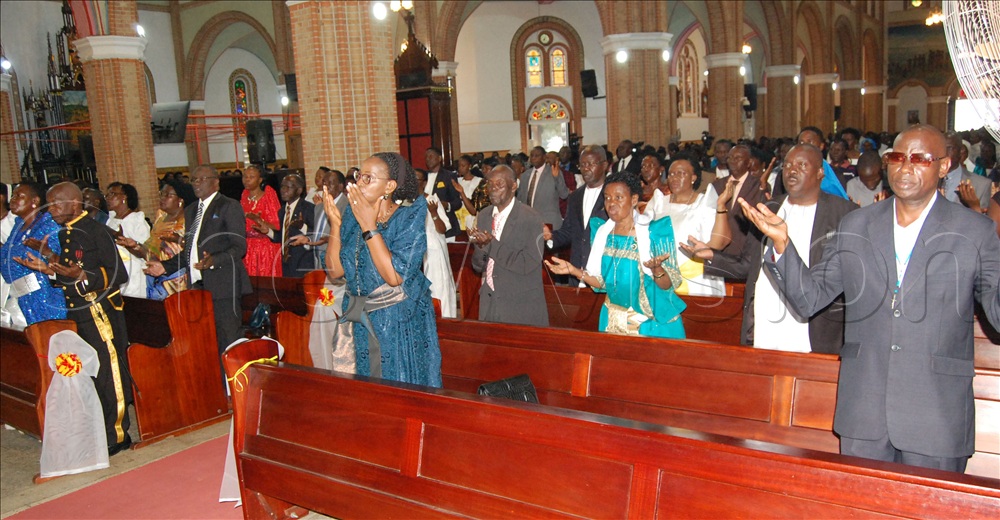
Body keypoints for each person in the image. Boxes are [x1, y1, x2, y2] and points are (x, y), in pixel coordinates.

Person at [744, 125, 1000, 472]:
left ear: (943, 166)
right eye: (896, 157)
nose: (905, 167)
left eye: (920, 159)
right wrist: (782, 245)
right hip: (865, 410)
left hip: (935, 414)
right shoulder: (856, 224)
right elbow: (810, 298)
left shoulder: (974, 231)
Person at [685, 144, 857, 352]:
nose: (792, 170)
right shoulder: (768, 208)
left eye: (802, 165)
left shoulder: (845, 213)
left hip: (814, 328)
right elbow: (749, 265)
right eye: (788, 165)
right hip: (766, 322)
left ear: (820, 172)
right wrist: (713, 256)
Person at [16, 182, 133, 455]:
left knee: (108, 374)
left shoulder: (94, 230)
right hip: (78, 312)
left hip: (100, 313)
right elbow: (71, 269)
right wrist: (48, 263)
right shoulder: (68, 233)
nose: (52, 209)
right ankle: (100, 429)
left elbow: (118, 275)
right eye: (49, 204)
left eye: (56, 204)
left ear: (75, 204)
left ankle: (118, 434)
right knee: (90, 375)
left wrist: (80, 277)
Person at [321, 152, 442, 386]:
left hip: (396, 321)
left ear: (390, 186)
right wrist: (335, 225)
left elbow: (395, 276)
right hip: (358, 318)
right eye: (358, 176)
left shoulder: (409, 215)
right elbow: (335, 271)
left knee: (396, 389)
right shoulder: (353, 215)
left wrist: (368, 225)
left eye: (368, 178)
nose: (359, 183)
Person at [546, 170, 686, 338]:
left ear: (634, 200)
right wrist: (573, 271)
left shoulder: (652, 232)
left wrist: (657, 270)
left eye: (619, 198)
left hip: (650, 320)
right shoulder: (602, 232)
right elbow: (602, 283)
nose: (611, 203)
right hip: (614, 318)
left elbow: (667, 285)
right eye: (607, 197)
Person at [147, 165, 252, 356]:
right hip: (197, 286)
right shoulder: (191, 209)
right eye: (193, 179)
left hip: (224, 286)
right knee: (206, 342)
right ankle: (214, 384)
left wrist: (213, 260)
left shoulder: (228, 206)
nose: (196, 183)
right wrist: (165, 266)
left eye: (201, 179)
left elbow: (239, 247)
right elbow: (190, 251)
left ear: (216, 182)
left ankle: (233, 384)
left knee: (228, 341)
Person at [471, 164, 549, 327]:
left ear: (513, 186)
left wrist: (491, 244)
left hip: (519, 304)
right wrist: (480, 246)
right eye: (489, 184)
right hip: (489, 299)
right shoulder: (484, 215)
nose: (492, 189)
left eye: (499, 184)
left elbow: (527, 263)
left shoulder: (530, 218)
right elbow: (478, 266)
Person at [645, 155, 733, 296]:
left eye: (681, 173)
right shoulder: (658, 203)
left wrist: (721, 205)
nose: (674, 178)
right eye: (671, 174)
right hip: (661, 277)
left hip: (695, 279)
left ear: (693, 178)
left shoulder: (703, 203)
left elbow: (720, 242)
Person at [1, 182, 67, 327]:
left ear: (35, 201)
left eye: (19, 196)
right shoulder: (18, 226)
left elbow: (60, 262)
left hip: (45, 298)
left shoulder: (49, 225)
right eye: (12, 195)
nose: (12, 199)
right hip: (20, 298)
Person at [117, 179, 197, 299]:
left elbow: (194, 250)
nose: (162, 198)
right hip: (154, 277)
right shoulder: (161, 218)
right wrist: (134, 246)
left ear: (180, 200)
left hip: (177, 281)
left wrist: (180, 240)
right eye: (161, 194)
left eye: (168, 195)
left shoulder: (187, 221)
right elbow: (150, 254)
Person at [544, 145, 609, 287]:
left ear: (604, 165)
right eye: (583, 164)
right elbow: (569, 231)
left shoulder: (613, 195)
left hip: (604, 272)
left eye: (591, 164)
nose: (586, 168)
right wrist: (550, 237)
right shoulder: (575, 197)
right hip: (577, 270)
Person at [415, 168, 457, 318]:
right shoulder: (406, 203)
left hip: (433, 253)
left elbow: (442, 229)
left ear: (424, 183)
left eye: (417, 179)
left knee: (438, 289)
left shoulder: (432, 199)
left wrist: (433, 213)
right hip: (414, 254)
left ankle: (445, 321)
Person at [106, 182, 150, 298]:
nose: (108, 198)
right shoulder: (111, 220)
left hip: (133, 273)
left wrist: (126, 243)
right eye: (107, 195)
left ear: (124, 197)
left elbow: (145, 252)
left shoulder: (136, 221)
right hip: (115, 271)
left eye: (112, 194)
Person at [240, 165, 282, 277]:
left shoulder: (268, 195)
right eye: (245, 176)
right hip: (247, 247)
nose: (247, 179)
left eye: (251, 177)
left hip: (265, 247)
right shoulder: (244, 195)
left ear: (260, 180)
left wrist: (259, 220)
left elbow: (276, 225)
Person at [271, 173, 315, 278]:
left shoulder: (308, 208)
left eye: (288, 187)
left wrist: (302, 227)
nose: (283, 190)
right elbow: (281, 237)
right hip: (285, 264)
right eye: (282, 186)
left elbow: (316, 235)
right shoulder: (281, 211)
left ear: (299, 190)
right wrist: (267, 231)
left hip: (303, 264)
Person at [517, 146, 569, 230]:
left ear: (544, 157)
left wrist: (556, 177)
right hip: (528, 223)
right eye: (532, 155)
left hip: (548, 222)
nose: (533, 158)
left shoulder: (553, 172)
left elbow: (564, 194)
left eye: (537, 155)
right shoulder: (525, 175)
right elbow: (521, 199)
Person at [944, 132, 991, 212]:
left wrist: (974, 207)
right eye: (939, 148)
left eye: (949, 148)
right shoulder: (926, 180)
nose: (943, 153)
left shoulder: (981, 185)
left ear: (961, 151)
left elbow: (983, 222)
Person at [424, 147, 463, 239]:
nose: (428, 159)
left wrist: (447, 205)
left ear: (439, 158)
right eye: (426, 157)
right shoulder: (423, 177)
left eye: (431, 156)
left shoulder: (449, 176)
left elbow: (457, 202)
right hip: (427, 226)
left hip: (446, 226)